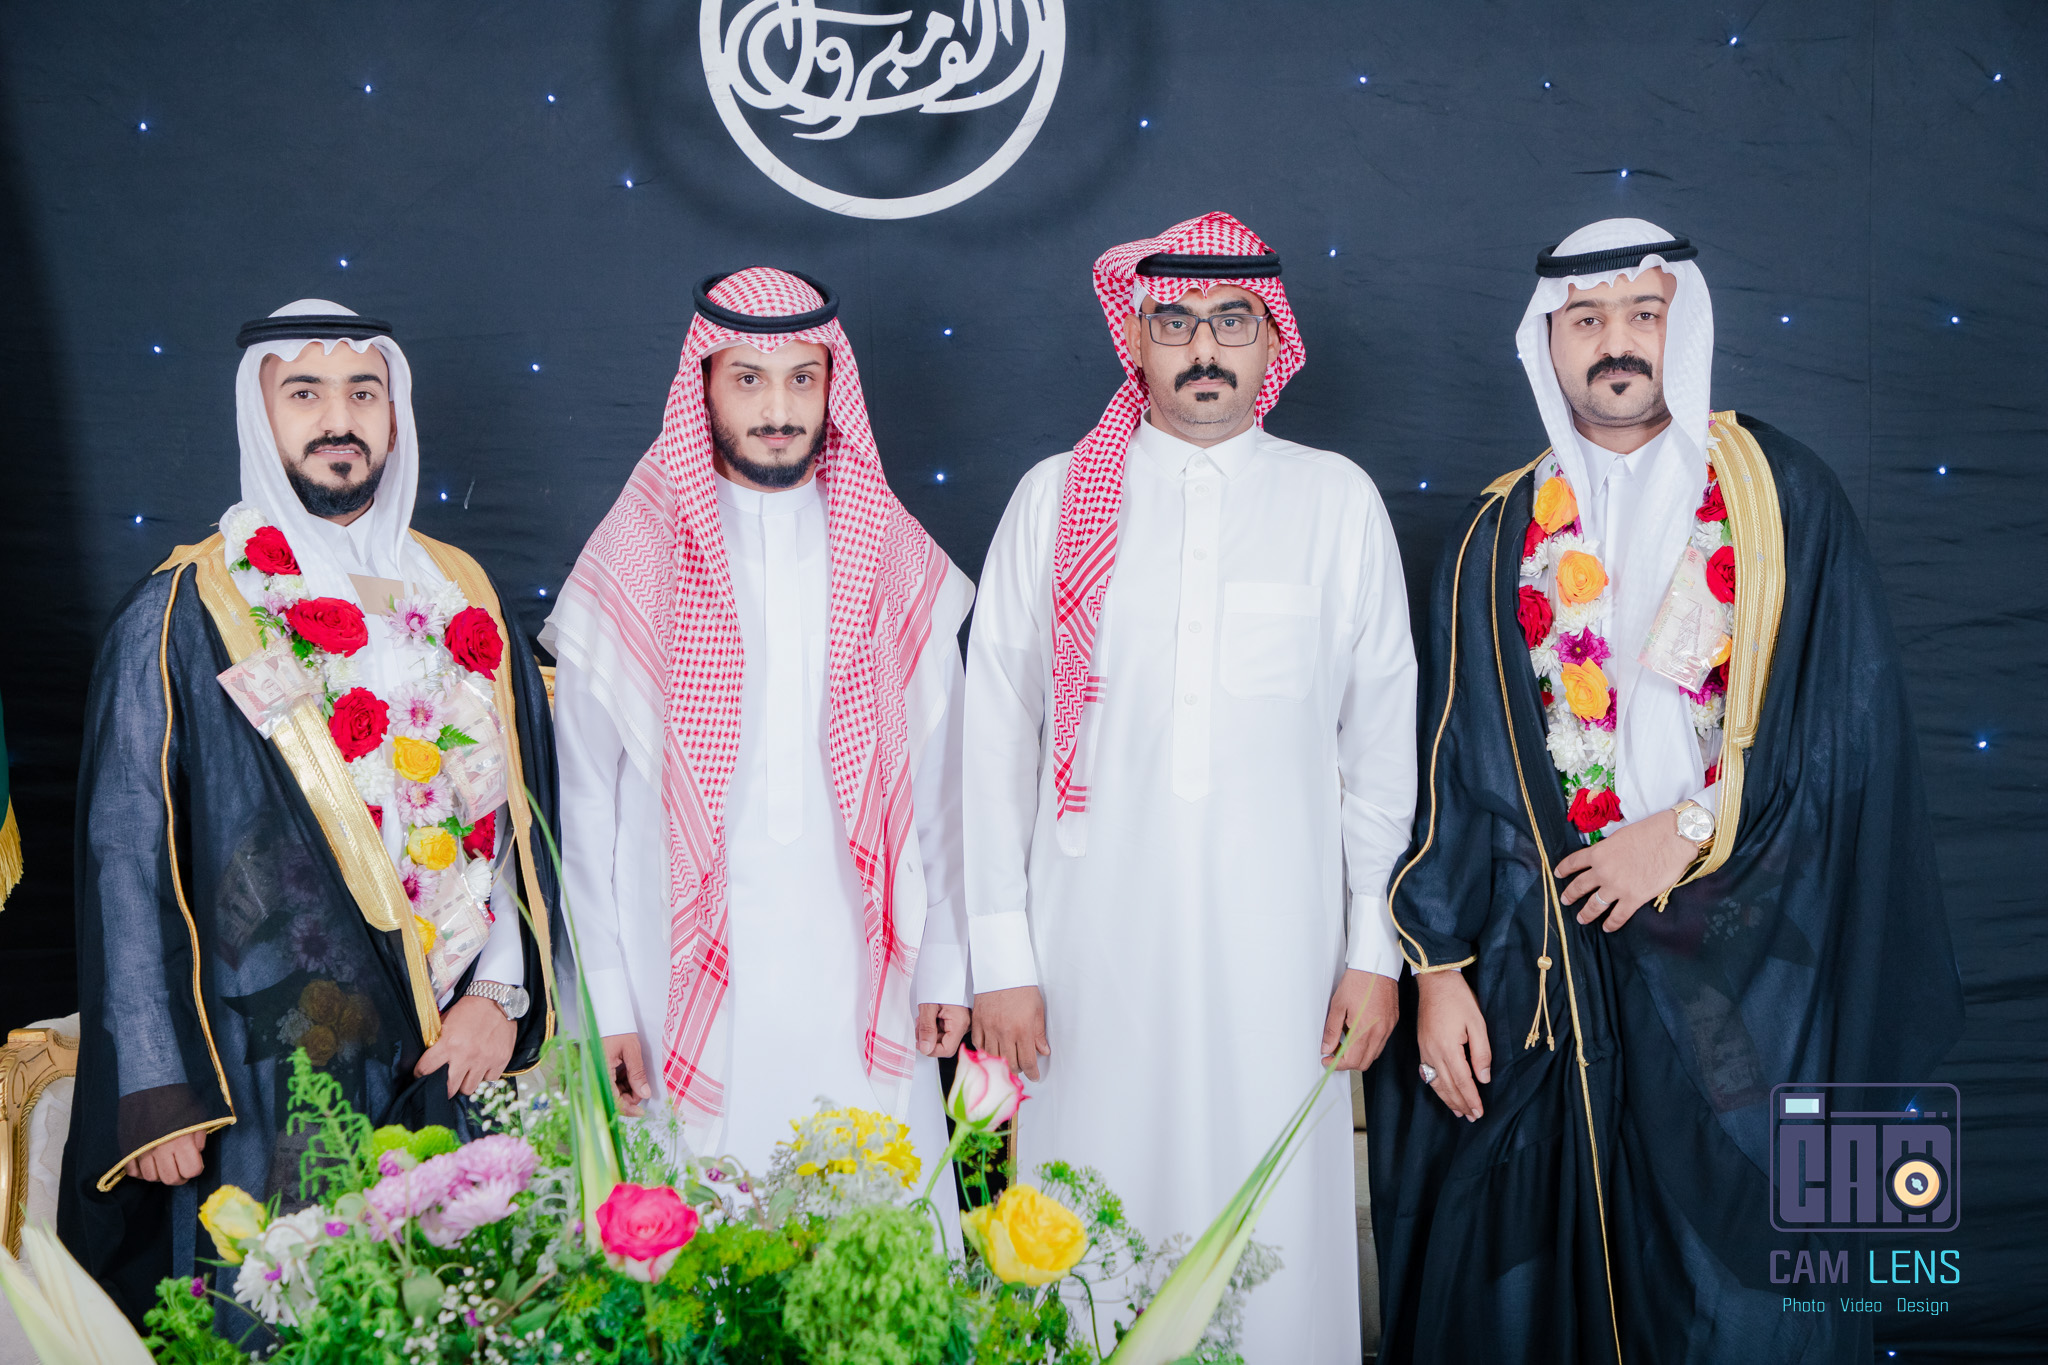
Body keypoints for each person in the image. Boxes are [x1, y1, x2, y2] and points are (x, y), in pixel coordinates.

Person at [1365, 219, 1965, 1363]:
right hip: (1555, 961)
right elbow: (1450, 768)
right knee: (1550, 1273)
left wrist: (1688, 830)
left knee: (1761, 1280)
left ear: (1677, 326)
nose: (1615, 342)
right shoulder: (1498, 535)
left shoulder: (1780, 498)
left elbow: (1849, 740)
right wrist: (1435, 967)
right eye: (1585, 319)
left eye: (1641, 314)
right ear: (1545, 343)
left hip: (1757, 960)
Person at [965, 212, 1418, 1359]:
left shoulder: (1333, 501)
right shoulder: (1053, 498)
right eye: (1173, 322)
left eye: (1231, 321)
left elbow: (1378, 751)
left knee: (1273, 1232)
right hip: (1084, 955)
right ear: (1134, 338)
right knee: (1089, 1211)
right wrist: (1001, 957)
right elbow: (993, 736)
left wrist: (1373, 948)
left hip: (1285, 957)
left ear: (1272, 342)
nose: (1203, 348)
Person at [59, 300, 564, 1324]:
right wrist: (154, 1086)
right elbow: (125, 852)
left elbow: (511, 820)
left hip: (448, 1051)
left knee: (452, 1315)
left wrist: (498, 995)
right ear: (260, 416)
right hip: (265, 1067)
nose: (339, 420)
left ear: (394, 412)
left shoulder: (461, 593)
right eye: (305, 394)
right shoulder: (187, 609)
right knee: (280, 1318)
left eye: (362, 393)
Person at [545, 268, 974, 1186]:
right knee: (695, 1224)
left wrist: (946, 956)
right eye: (748, 379)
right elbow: (583, 807)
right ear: (702, 385)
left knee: (867, 1218)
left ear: (831, 388)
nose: (778, 409)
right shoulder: (632, 555)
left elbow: (943, 782)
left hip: (860, 966)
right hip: (672, 974)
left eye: (801, 379)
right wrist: (605, 1001)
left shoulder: (892, 552)